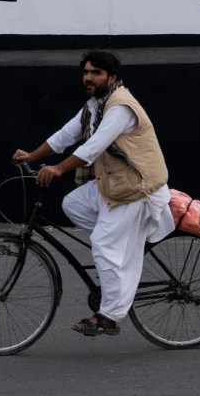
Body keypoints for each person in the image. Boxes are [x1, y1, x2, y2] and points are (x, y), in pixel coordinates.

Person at [11, 50, 175, 338]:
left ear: (112, 77)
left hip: (135, 190)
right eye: (86, 72)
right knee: (72, 203)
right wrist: (32, 155)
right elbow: (65, 135)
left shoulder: (120, 107)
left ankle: (109, 317)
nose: (88, 77)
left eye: (96, 73)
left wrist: (58, 169)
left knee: (103, 243)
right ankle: (118, 248)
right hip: (113, 185)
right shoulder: (94, 106)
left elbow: (94, 147)